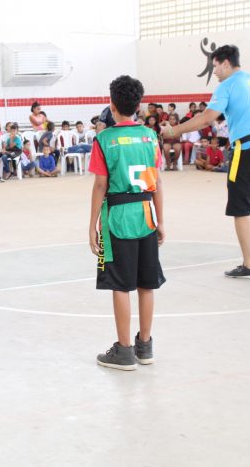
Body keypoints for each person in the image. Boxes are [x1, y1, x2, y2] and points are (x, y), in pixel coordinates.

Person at [160, 44, 250, 278]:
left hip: (248, 149)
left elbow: (206, 118)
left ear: (225, 63)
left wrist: (173, 131)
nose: (215, 73)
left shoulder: (227, 86)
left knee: (241, 209)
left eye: (216, 67)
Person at [88, 75, 165, 371]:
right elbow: (157, 181)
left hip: (117, 217)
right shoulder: (150, 137)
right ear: (138, 106)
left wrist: (92, 225)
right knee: (147, 284)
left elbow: (99, 185)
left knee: (120, 285)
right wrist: (161, 220)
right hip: (146, 214)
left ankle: (123, 351)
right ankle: (145, 346)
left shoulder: (104, 139)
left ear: (112, 104)